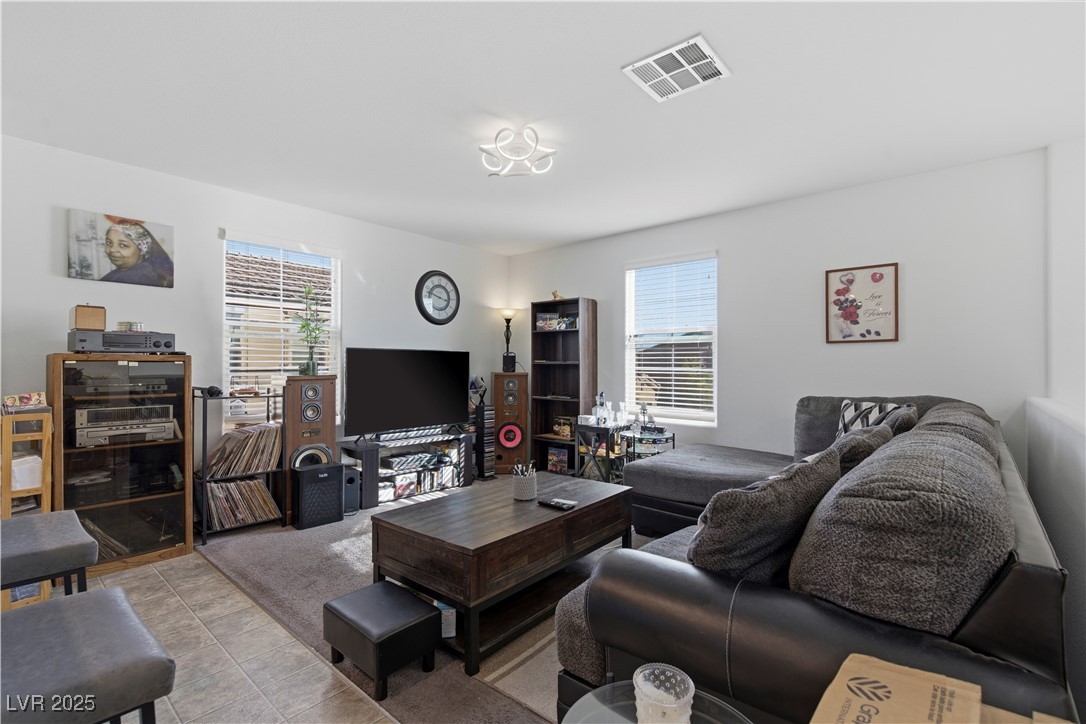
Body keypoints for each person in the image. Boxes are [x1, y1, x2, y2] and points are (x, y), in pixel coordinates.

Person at [100, 223, 174, 287]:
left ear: (142, 250)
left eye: (123, 245)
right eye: (109, 243)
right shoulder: (126, 272)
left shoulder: (133, 278)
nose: (112, 249)